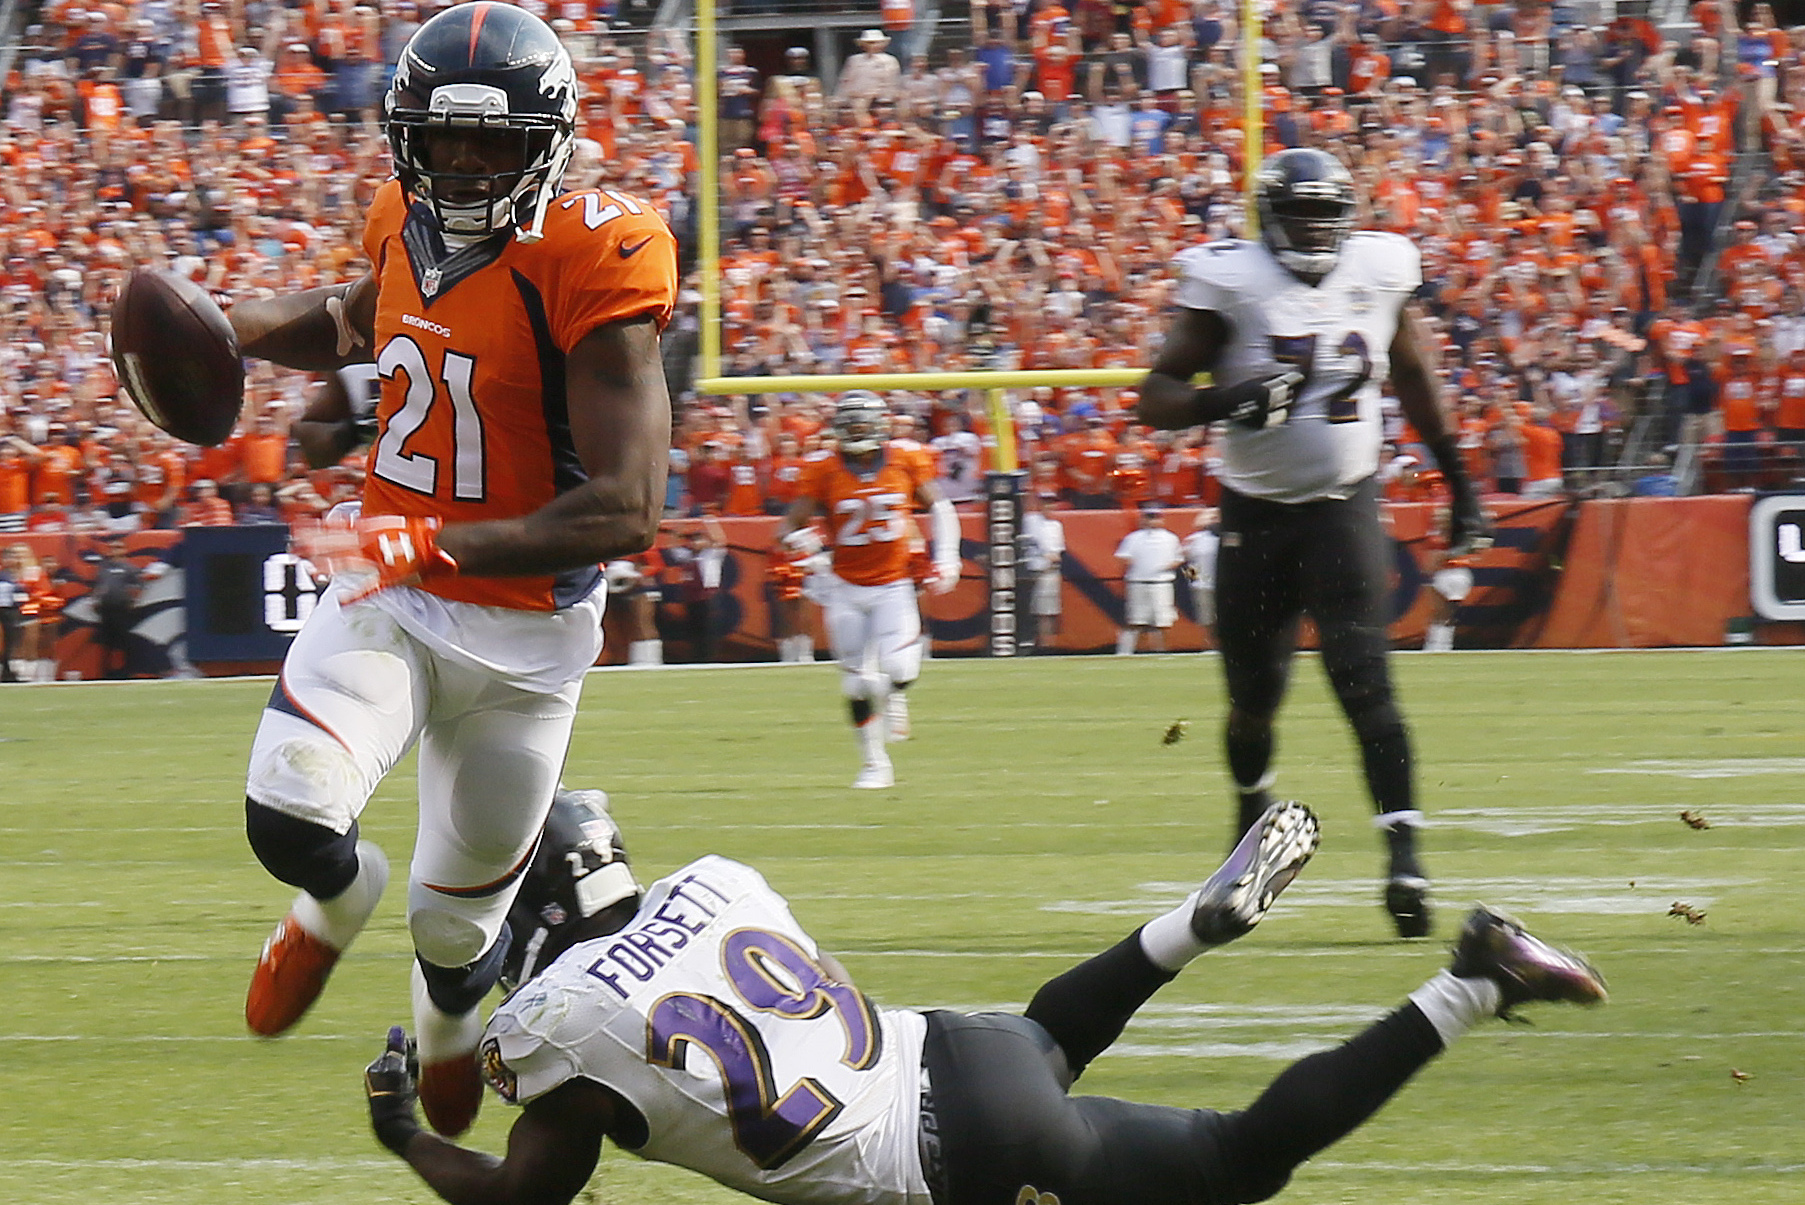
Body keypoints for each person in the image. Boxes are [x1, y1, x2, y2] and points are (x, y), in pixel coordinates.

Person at [222, 2, 677, 1141]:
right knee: (287, 808)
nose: (466, 164)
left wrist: (436, 538)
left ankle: (441, 1023)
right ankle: (334, 896)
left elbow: (628, 508)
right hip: (392, 593)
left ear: (551, 140)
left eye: (495, 142)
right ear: (405, 138)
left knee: (457, 929)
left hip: (525, 634)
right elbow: (351, 316)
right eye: (446, 139)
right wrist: (221, 329)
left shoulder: (596, 248)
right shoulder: (397, 216)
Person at [361, 792, 1607, 1205]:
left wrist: (407, 1132)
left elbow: (525, 1195)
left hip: (943, 1160)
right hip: (958, 1045)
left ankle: (1469, 981)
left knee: (1238, 1159)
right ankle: (1184, 927)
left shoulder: (553, 1022)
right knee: (1048, 1037)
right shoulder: (715, 878)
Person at [1137, 148, 1492, 939]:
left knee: (1364, 682)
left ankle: (1404, 855)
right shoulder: (1229, 281)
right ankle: (1248, 811)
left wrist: (1460, 482)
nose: (1312, 230)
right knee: (1253, 700)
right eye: (1297, 216)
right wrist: (1224, 397)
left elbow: (1416, 377)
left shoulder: (1377, 268)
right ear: (1268, 219)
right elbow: (1153, 396)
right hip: (1254, 516)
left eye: (1324, 215)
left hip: (1342, 507)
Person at [777, 392, 958, 789]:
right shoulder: (822, 469)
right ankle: (875, 764)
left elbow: (941, 509)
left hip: (893, 585)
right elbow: (787, 527)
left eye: (864, 425)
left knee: (900, 670)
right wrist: (807, 545)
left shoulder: (906, 459)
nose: (858, 433)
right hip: (843, 586)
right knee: (855, 682)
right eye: (851, 426)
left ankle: (895, 692)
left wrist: (948, 558)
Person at [1114, 503, 1184, 655]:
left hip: (1161, 583)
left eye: (1155, 517)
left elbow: (1179, 558)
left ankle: (1160, 652)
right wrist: (1141, 565)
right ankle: (1124, 653)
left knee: (1162, 621)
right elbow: (1123, 557)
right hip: (1138, 583)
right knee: (1135, 620)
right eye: (1149, 517)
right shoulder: (1133, 538)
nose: (1152, 521)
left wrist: (1164, 567)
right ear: (1143, 519)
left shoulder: (1170, 538)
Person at [1022, 493, 1065, 652]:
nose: (1049, 506)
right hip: (1030, 571)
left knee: (1047, 612)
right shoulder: (1030, 520)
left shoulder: (1055, 525)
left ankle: (1046, 646)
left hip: (1048, 572)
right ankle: (1030, 643)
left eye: (1051, 503)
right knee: (1030, 610)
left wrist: (1051, 558)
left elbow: (1057, 553)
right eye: (1046, 502)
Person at [1182, 506, 1221, 636]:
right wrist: (1194, 582)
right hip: (1203, 586)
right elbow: (1188, 562)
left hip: (1224, 585)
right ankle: (1211, 647)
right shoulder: (1195, 539)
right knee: (1207, 619)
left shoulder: (1228, 538)